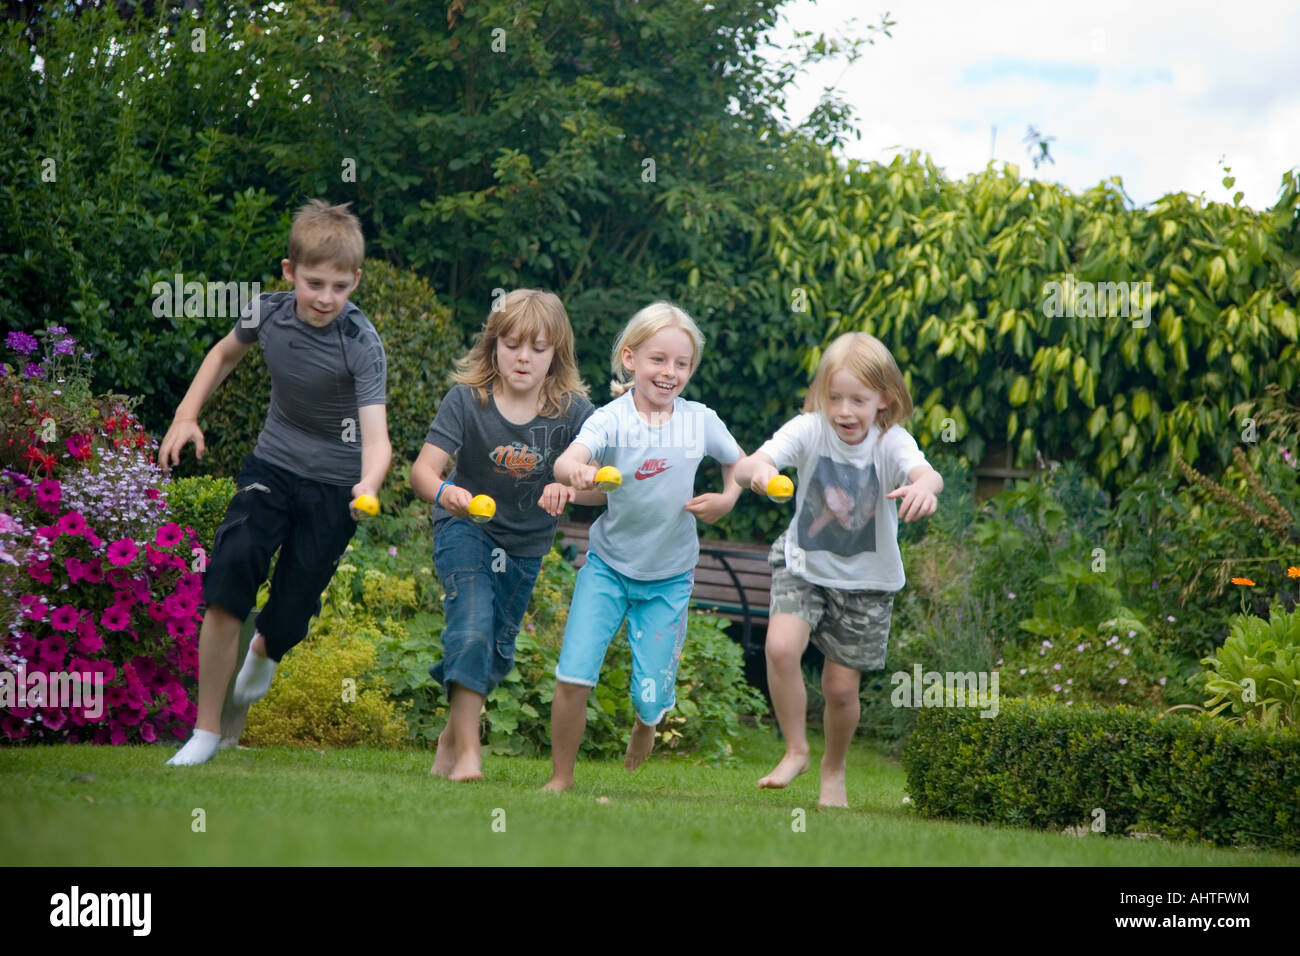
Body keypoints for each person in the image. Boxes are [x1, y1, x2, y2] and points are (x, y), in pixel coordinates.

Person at [162, 199, 391, 766]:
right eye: (315, 282)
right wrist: (186, 416)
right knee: (232, 564)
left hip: (338, 488)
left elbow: (378, 438)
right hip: (272, 468)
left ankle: (265, 649)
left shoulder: (362, 343)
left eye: (340, 286)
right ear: (290, 272)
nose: (326, 298)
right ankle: (207, 731)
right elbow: (222, 355)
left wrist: (368, 485)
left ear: (355, 281)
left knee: (290, 611)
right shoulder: (265, 311)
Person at [733, 332, 942, 806]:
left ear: (884, 398)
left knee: (840, 688)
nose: (845, 411)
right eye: (835, 398)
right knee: (782, 647)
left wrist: (925, 488)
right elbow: (754, 462)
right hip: (804, 564)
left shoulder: (892, 443)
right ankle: (796, 750)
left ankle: (834, 768)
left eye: (858, 400)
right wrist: (761, 474)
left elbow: (927, 473)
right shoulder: (809, 429)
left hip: (867, 585)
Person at [542, 302, 743, 791]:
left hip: (669, 578)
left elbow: (739, 463)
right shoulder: (610, 419)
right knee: (573, 675)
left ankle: (647, 720)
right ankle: (561, 779)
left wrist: (727, 499)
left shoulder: (701, 421)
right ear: (630, 359)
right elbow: (569, 460)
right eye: (658, 359)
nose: (670, 373)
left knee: (651, 695)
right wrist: (578, 473)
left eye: (681, 363)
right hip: (607, 568)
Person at [410, 289, 599, 782]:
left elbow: (598, 487)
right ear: (493, 345)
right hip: (465, 530)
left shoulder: (573, 412)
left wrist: (572, 487)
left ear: (556, 354)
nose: (524, 357)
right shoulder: (468, 400)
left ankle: (450, 739)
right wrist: (447, 492)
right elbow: (422, 473)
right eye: (512, 343)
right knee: (469, 625)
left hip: (526, 547)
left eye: (538, 347)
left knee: (494, 653)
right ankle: (470, 755)